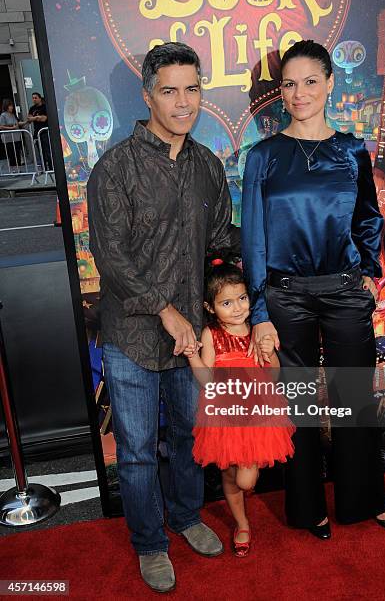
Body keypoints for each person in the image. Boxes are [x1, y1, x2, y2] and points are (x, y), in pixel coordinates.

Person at [87, 42, 239, 593]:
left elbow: (220, 244)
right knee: (135, 451)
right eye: (169, 90)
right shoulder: (115, 170)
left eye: (192, 89)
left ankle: (186, 516)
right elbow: (112, 259)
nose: (183, 102)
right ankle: (150, 543)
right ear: (148, 93)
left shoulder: (207, 166)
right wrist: (167, 312)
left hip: (191, 339)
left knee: (187, 435)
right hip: (133, 335)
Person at [241, 40, 385, 539]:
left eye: (310, 80)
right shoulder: (263, 156)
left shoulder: (353, 150)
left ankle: (366, 499)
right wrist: (260, 310)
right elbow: (253, 235)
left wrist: (367, 279)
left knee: (353, 399)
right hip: (285, 294)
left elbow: (367, 219)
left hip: (343, 290)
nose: (299, 92)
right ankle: (308, 506)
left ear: (330, 83)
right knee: (301, 407)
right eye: (289, 83)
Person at [185, 257, 294, 557]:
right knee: (231, 476)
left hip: (258, 419)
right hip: (225, 419)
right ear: (210, 308)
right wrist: (192, 355)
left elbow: (273, 375)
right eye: (227, 303)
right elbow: (207, 380)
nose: (238, 308)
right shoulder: (212, 335)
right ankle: (241, 523)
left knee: (246, 479)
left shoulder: (258, 330)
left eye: (242, 298)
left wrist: (269, 352)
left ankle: (247, 494)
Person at [27, 92, 52, 170]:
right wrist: (37, 118)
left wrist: (35, 118)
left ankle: (51, 167)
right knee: (41, 151)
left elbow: (44, 118)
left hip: (45, 131)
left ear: (40, 98)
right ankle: (44, 168)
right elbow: (29, 119)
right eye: (33, 98)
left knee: (48, 150)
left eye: (35, 98)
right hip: (37, 132)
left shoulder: (45, 107)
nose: (34, 99)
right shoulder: (32, 108)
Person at [0, 99, 26, 168]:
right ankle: (13, 169)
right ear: (6, 106)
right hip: (8, 138)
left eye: (11, 106)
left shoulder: (13, 114)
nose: (12, 107)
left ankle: (19, 167)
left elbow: (18, 123)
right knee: (11, 153)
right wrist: (11, 128)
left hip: (16, 137)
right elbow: (1, 126)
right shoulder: (3, 115)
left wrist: (26, 122)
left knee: (17, 152)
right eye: (10, 106)